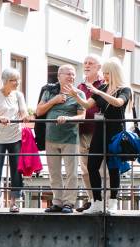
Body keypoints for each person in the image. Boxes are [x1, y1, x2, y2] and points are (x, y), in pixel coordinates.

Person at [67, 58, 133, 214]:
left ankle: (113, 202)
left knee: (113, 167)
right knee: (91, 166)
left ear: (115, 73)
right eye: (104, 73)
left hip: (115, 133)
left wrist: (98, 92)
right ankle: (97, 202)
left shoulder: (125, 89)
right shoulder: (103, 87)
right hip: (99, 131)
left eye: (108, 73)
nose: (105, 76)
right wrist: (75, 96)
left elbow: (118, 103)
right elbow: (87, 105)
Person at [36, 64, 85, 214]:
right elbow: (38, 111)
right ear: (59, 76)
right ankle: (57, 202)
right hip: (51, 138)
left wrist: (68, 118)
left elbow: (82, 116)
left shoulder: (79, 94)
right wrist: (54, 101)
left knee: (71, 172)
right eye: (68, 74)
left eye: (73, 74)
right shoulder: (50, 92)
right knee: (54, 172)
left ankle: (69, 203)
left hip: (70, 138)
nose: (71, 76)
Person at [0, 68, 30, 213]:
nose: (17, 83)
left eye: (18, 80)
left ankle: (14, 203)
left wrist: (26, 116)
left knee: (16, 169)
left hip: (15, 136)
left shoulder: (18, 95)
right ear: (5, 81)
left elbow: (24, 112)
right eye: (13, 80)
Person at [75, 54, 105, 212]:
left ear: (98, 67)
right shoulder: (80, 87)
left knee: (101, 168)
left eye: (91, 63)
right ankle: (92, 199)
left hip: (100, 132)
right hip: (83, 131)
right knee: (85, 168)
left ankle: (102, 201)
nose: (86, 65)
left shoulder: (104, 84)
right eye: (85, 63)